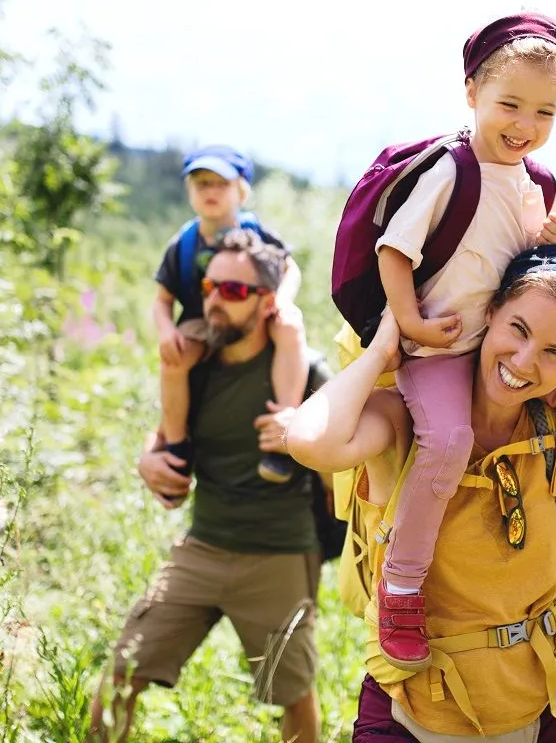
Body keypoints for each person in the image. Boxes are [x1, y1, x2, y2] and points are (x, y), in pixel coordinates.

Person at [288, 238, 556, 742]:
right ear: (488, 311)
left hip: (540, 709)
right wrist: (384, 348)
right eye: (518, 328)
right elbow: (311, 441)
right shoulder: (405, 417)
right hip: (412, 712)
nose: (525, 360)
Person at [369, 12, 556, 671]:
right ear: (472, 93)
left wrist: (551, 239)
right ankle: (401, 586)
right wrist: (407, 322)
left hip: (498, 341)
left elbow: (530, 271)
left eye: (544, 111)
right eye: (510, 104)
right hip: (439, 348)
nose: (525, 123)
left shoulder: (537, 183)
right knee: (449, 440)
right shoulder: (450, 170)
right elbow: (394, 250)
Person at [91, 230, 328, 743]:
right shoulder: (196, 365)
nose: (215, 300)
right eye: (209, 286)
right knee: (121, 673)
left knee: (292, 693)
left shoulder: (306, 372)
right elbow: (162, 439)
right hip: (203, 548)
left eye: (234, 291)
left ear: (268, 302)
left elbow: (344, 461)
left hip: (280, 555)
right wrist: (146, 463)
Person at [153, 144, 309, 485]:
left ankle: (282, 428)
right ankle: (177, 445)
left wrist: (281, 300)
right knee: (174, 361)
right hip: (201, 318)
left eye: (220, 184)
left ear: (241, 191)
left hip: (253, 312)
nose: (210, 192)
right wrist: (166, 331)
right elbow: (162, 299)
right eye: (201, 184)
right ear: (189, 191)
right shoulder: (183, 243)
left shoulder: (257, 233)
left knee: (290, 326)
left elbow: (289, 268)